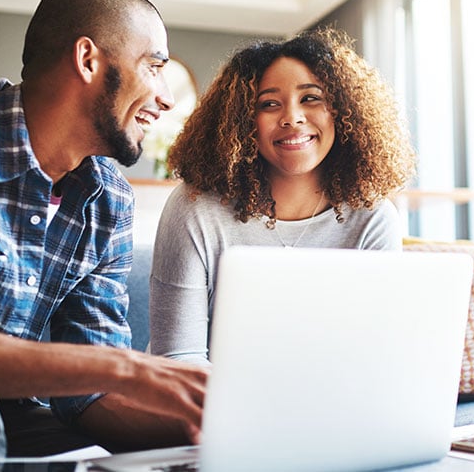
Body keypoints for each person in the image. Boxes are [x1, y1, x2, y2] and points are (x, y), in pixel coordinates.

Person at [0, 0, 208, 458]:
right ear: (88, 61)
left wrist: (204, 429)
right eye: (154, 67)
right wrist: (130, 369)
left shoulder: (109, 200)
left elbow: (89, 396)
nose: (167, 99)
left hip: (13, 415)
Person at [150, 27, 416, 366]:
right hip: (200, 401)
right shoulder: (195, 208)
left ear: (342, 111)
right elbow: (178, 357)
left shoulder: (373, 219)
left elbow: (374, 353)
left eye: (311, 98)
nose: (292, 118)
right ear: (243, 121)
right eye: (269, 104)